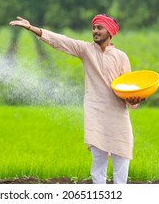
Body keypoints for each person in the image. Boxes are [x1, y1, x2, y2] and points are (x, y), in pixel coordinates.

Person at [9, 14, 144, 184]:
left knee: (122, 157)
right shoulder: (86, 50)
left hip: (118, 114)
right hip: (95, 112)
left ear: (109, 31)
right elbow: (61, 41)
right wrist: (31, 27)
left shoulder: (121, 57)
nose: (95, 31)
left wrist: (134, 101)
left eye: (99, 28)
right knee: (98, 161)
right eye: (93, 28)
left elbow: (128, 87)